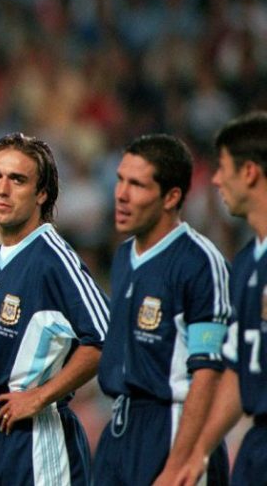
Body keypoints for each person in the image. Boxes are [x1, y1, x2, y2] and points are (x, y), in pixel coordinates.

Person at [0, 132, 110, 485]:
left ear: (42, 193)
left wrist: (40, 397)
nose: (2, 189)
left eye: (17, 179)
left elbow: (105, 338)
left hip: (38, 444)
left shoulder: (52, 258)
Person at [92, 134, 230, 485]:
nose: (121, 194)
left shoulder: (199, 262)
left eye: (137, 185)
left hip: (172, 427)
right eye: (120, 179)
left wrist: (177, 464)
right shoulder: (124, 255)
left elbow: (208, 373)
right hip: (121, 428)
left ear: (171, 197)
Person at [175, 112, 267, 486]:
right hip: (257, 443)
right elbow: (235, 369)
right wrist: (198, 452)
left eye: (222, 167)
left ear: (249, 172)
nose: (214, 179)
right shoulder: (245, 263)